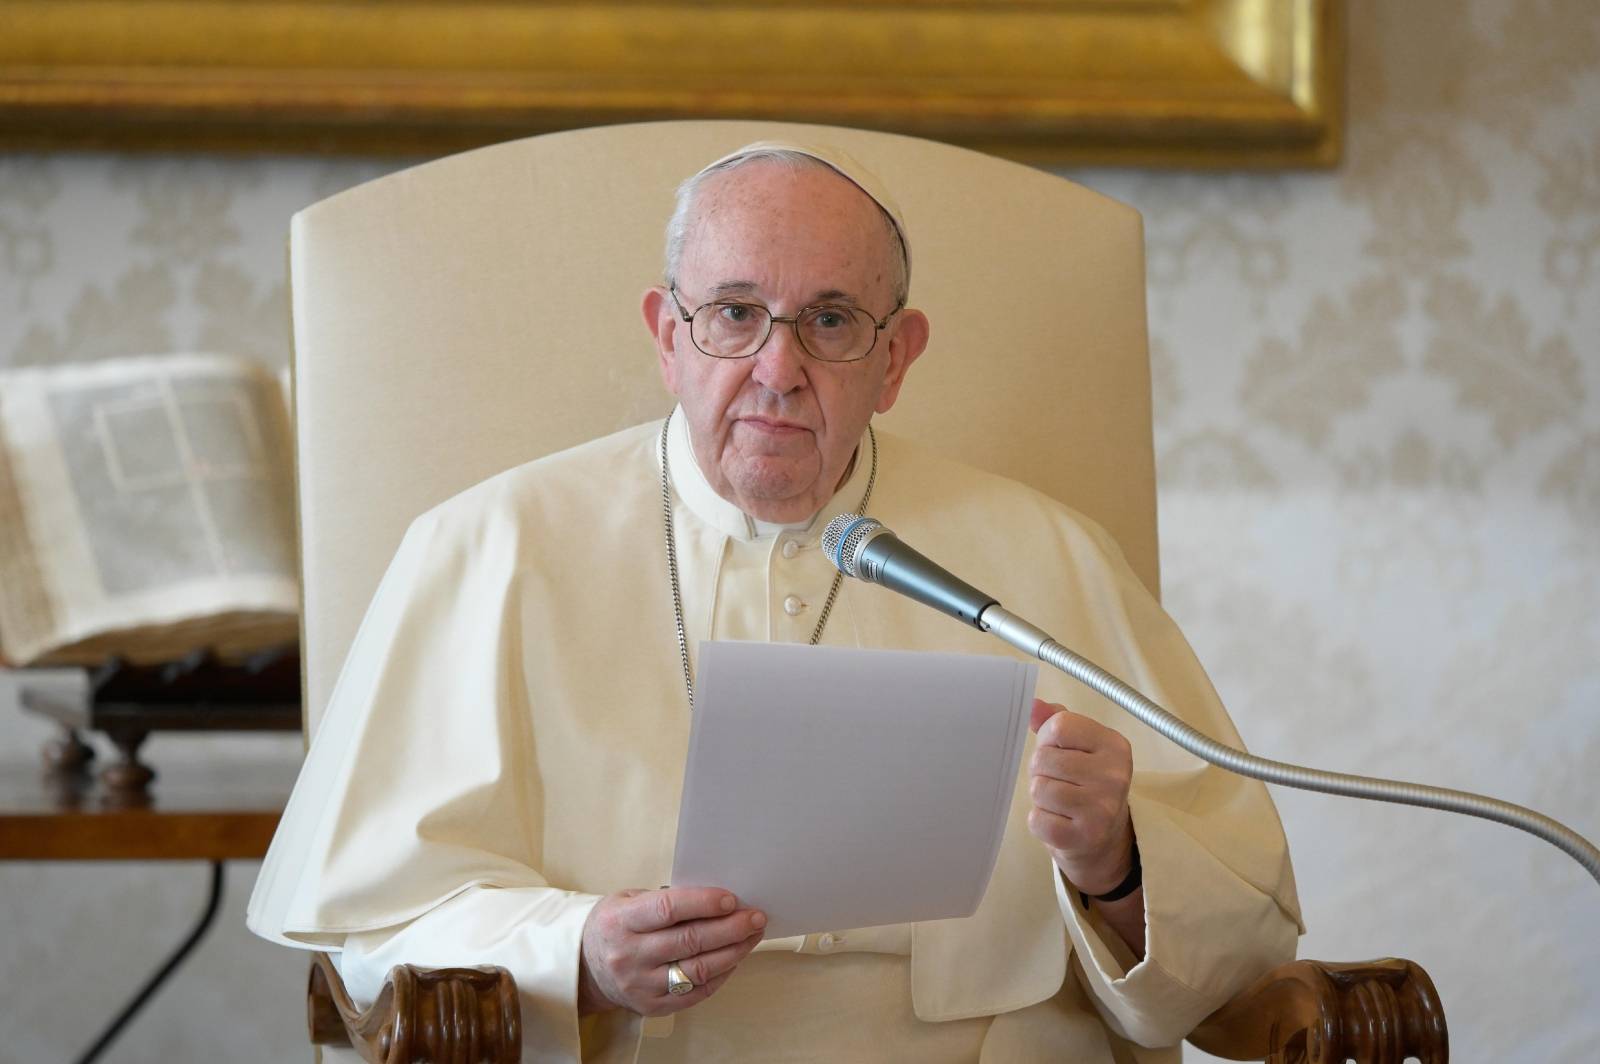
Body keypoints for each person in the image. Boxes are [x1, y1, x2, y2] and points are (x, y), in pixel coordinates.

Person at [249, 141, 1302, 1063]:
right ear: (667, 333)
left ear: (895, 359)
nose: (777, 368)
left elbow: (1243, 929)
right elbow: (371, 926)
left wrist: (1116, 856)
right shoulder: (491, 548)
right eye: (735, 314)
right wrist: (575, 946)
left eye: (832, 320)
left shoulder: (1045, 556)